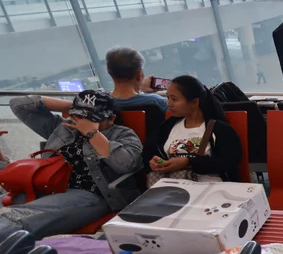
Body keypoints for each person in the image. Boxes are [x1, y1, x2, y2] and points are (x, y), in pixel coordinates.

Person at [1, 90, 143, 236]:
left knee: (13, 218)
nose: (82, 122)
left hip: (91, 195)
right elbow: (18, 104)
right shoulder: (63, 127)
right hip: (47, 187)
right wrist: (77, 107)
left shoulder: (122, 134)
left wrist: (93, 134)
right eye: (78, 116)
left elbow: (127, 165)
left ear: (111, 119)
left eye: (92, 119)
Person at [143, 75, 243, 184]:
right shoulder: (166, 128)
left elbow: (229, 161)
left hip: (211, 188)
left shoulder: (219, 129)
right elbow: (148, 152)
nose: (169, 104)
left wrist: (189, 162)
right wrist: (154, 161)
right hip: (173, 187)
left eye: (174, 99)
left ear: (195, 102)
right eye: (168, 98)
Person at [104, 47, 168, 113]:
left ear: (109, 72)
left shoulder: (102, 103)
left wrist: (141, 89)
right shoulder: (156, 101)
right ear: (140, 74)